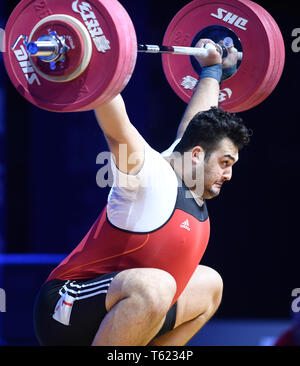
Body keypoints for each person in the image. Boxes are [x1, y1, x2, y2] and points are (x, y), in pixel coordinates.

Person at [33, 39, 250, 346]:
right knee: (157, 285)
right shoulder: (146, 174)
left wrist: (213, 69)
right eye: (225, 163)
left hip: (124, 304)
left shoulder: (188, 166)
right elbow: (116, 126)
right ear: (198, 155)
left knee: (209, 283)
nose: (228, 175)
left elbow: (198, 122)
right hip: (66, 308)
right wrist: (90, 65)